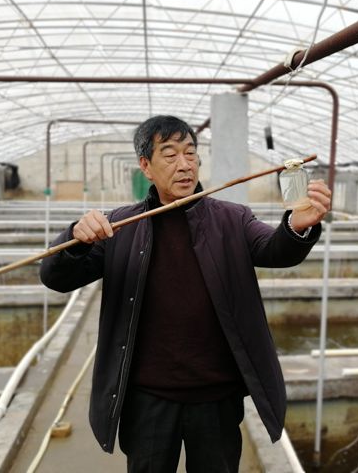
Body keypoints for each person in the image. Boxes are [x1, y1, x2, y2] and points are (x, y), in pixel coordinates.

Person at [40, 115, 331, 472]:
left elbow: (274, 249)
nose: (184, 165)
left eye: (190, 153)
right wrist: (75, 238)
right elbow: (56, 277)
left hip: (216, 399)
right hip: (147, 400)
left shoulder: (232, 219)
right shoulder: (120, 227)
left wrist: (295, 227)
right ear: (145, 166)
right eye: (170, 154)